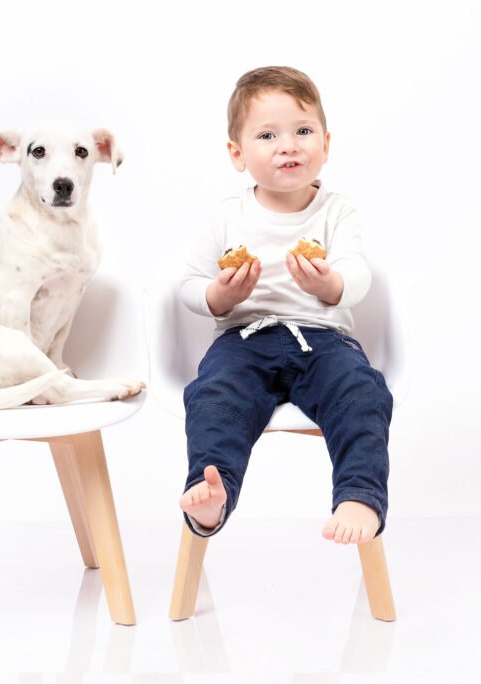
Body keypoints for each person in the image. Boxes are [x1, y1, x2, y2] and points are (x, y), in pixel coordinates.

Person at [178, 66, 392, 545]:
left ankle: (360, 493)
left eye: (303, 131)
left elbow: (358, 274)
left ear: (326, 143)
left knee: (362, 393)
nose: (289, 145)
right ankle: (211, 495)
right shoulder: (226, 216)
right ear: (238, 153)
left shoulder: (337, 211)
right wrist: (221, 295)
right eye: (268, 134)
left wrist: (330, 285)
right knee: (215, 398)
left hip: (324, 340)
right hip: (243, 341)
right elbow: (189, 286)